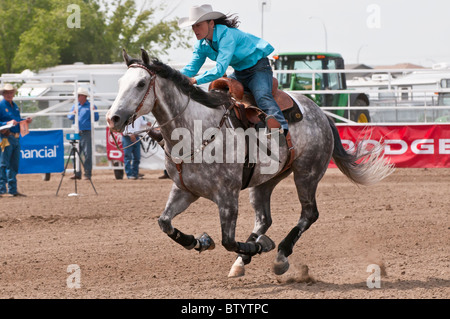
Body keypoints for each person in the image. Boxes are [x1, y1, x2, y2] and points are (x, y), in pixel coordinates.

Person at [178, 4, 288, 135]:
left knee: (262, 96)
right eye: (193, 26)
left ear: (211, 23)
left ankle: (281, 129)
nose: (195, 29)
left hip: (258, 69)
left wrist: (195, 80)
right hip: (240, 72)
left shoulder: (227, 36)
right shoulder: (201, 44)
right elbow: (192, 67)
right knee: (217, 92)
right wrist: (174, 76)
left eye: (198, 25)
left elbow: (219, 70)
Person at [0, 83, 33, 197]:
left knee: (14, 164)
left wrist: (25, 120)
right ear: (3, 94)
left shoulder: (15, 106)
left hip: (15, 137)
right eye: (7, 93)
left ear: (13, 94)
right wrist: (6, 123)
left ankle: (12, 189)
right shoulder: (1, 105)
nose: (9, 94)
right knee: (3, 163)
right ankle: (1, 189)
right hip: (5, 137)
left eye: (11, 93)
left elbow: (17, 120)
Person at [67, 87, 99, 180]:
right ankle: (77, 172)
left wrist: (93, 112)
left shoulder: (91, 106)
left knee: (87, 153)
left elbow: (96, 118)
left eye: (79, 95)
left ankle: (87, 173)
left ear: (83, 96)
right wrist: (73, 113)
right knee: (74, 153)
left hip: (86, 132)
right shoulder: (75, 106)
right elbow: (69, 117)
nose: (77, 97)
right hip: (77, 132)